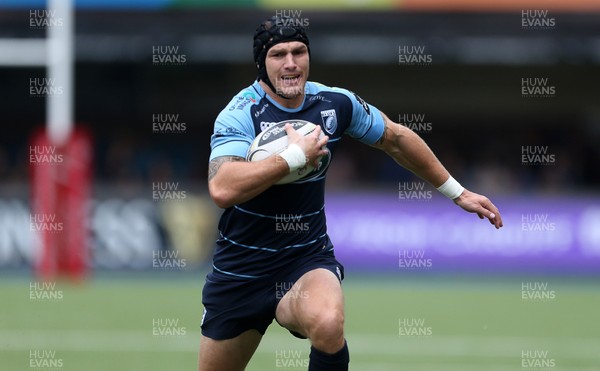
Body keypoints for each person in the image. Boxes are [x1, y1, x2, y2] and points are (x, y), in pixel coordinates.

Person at [201, 16, 503, 371]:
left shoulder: (334, 104)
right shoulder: (241, 113)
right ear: (261, 64)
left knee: (328, 323)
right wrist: (294, 158)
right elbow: (222, 187)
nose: (291, 63)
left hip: (304, 258)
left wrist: (456, 191)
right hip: (241, 270)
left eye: (299, 52)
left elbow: (396, 138)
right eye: (278, 54)